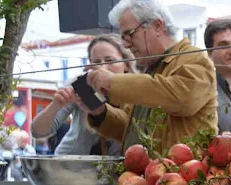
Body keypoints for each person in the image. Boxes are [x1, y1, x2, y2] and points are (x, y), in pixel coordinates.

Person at [85, 0, 218, 152]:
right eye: (123, 37)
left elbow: (182, 99)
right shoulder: (150, 69)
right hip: (147, 173)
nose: (126, 44)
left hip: (181, 174)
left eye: (129, 34)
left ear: (157, 26)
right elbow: (132, 131)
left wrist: (112, 82)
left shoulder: (194, 59)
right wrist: (100, 112)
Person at [32, 35, 135, 156]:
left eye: (110, 60)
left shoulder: (135, 89)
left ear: (126, 64)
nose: (102, 67)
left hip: (117, 169)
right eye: (96, 62)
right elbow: (38, 132)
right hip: (73, 164)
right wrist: (55, 105)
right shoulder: (82, 86)